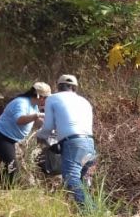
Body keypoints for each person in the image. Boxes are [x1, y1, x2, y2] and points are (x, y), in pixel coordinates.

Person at [37, 74, 96, 207]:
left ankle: (92, 212)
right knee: (81, 180)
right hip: (90, 144)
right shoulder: (85, 101)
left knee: (71, 178)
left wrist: (39, 136)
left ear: (58, 86)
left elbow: (47, 127)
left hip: (73, 143)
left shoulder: (52, 98)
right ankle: (83, 214)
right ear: (75, 88)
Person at [0, 82, 51, 187]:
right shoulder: (21, 103)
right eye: (45, 98)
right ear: (38, 96)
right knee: (12, 168)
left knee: (8, 166)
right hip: (0, 137)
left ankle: (1, 188)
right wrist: (36, 115)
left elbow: (34, 124)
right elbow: (19, 120)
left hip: (10, 140)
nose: (46, 101)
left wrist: (44, 121)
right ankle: (7, 191)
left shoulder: (34, 106)